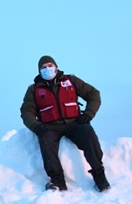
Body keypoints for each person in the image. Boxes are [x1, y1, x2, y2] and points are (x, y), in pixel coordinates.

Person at [20, 55, 110, 192]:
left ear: (56, 67)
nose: (47, 69)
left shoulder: (70, 81)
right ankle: (58, 181)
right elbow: (26, 111)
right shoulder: (34, 89)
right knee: (46, 142)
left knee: (89, 135)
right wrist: (35, 125)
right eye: (43, 67)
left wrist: (88, 114)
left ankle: (99, 176)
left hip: (75, 123)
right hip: (50, 127)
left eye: (50, 65)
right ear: (39, 71)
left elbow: (93, 94)